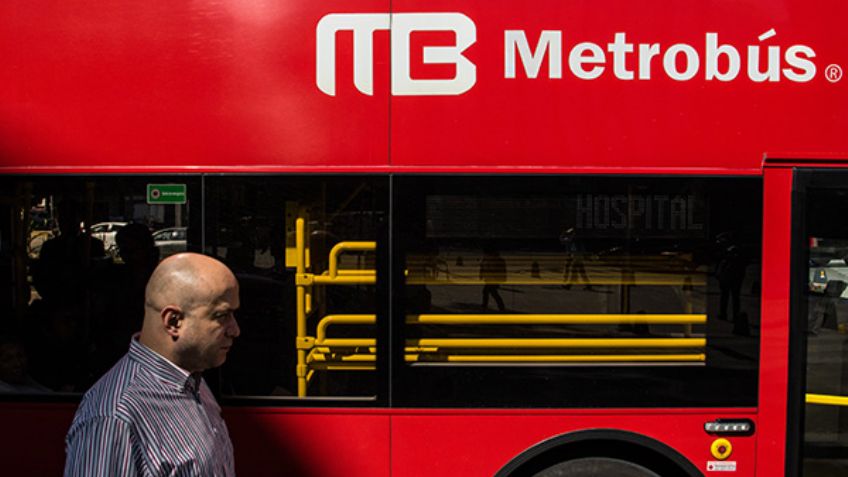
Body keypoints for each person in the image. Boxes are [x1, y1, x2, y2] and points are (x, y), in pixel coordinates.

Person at [64, 253, 241, 476]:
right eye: (222, 316)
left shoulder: (193, 381)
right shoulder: (113, 418)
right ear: (173, 322)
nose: (235, 330)